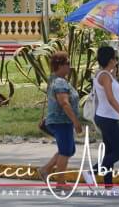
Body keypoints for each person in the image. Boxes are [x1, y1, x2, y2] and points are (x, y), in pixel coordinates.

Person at [38, 51, 83, 189]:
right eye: (68, 63)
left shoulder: (56, 80)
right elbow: (64, 103)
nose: (70, 66)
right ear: (60, 65)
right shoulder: (60, 83)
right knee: (65, 151)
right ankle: (60, 182)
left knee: (69, 150)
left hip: (61, 121)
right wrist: (76, 122)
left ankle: (45, 169)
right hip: (60, 121)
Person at [92, 45, 119, 192]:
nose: (116, 60)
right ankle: (91, 172)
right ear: (110, 60)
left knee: (110, 152)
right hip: (107, 118)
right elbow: (110, 98)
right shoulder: (104, 76)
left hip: (107, 117)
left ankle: (108, 186)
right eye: (114, 58)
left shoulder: (105, 74)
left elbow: (112, 92)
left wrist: (114, 75)